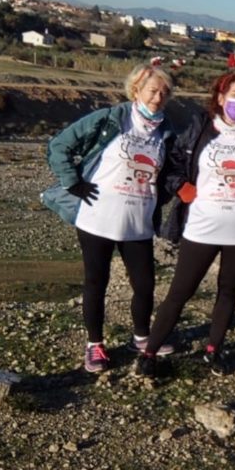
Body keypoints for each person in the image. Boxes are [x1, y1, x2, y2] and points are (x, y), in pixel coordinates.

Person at [137, 61, 235, 377]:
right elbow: (172, 165)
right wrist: (182, 188)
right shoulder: (199, 129)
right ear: (220, 97)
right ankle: (150, 352)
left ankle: (213, 350)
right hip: (202, 227)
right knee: (180, 291)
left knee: (228, 290)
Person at [42, 58, 176, 373]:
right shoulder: (110, 119)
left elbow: (169, 173)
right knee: (96, 283)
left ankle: (141, 338)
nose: (158, 98)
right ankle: (95, 346)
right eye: (152, 91)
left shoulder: (167, 132)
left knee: (144, 285)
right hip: (97, 219)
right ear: (136, 90)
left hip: (138, 223)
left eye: (164, 93)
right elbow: (59, 145)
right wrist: (71, 181)